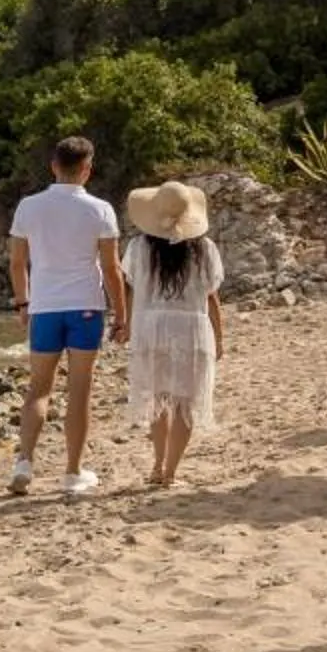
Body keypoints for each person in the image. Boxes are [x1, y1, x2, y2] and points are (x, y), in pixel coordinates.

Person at [7, 136, 127, 498]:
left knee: (38, 389)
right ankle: (73, 473)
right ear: (87, 169)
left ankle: (24, 462)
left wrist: (22, 304)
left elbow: (16, 261)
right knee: (79, 391)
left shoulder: (28, 206)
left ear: (53, 166)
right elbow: (111, 268)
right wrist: (122, 315)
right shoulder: (100, 209)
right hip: (85, 307)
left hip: (43, 307)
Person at [121, 181, 225, 488]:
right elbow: (211, 296)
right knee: (184, 402)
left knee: (159, 397)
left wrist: (126, 324)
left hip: (151, 326)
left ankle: (156, 465)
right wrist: (219, 336)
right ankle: (170, 473)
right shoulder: (204, 249)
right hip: (191, 327)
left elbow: (132, 287)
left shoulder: (140, 247)